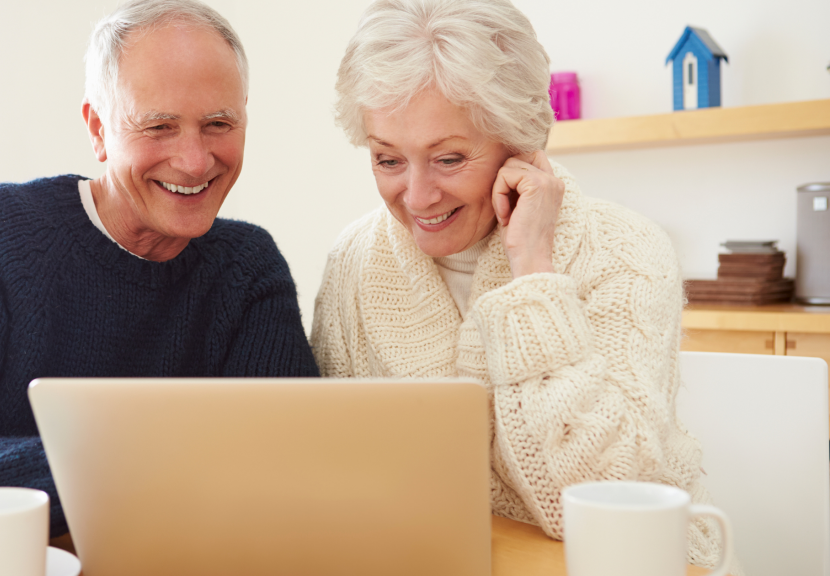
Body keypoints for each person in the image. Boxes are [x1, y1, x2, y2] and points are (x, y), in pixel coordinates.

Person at [0, 0, 319, 559]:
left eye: (218, 124)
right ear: (98, 129)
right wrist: (118, 466)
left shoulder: (248, 268)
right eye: (159, 126)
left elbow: (285, 475)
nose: (195, 161)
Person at [310, 0, 728, 568]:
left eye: (449, 158)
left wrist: (532, 267)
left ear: (521, 142)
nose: (416, 195)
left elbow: (605, 499)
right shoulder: (354, 261)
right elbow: (338, 476)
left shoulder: (627, 252)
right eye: (388, 160)